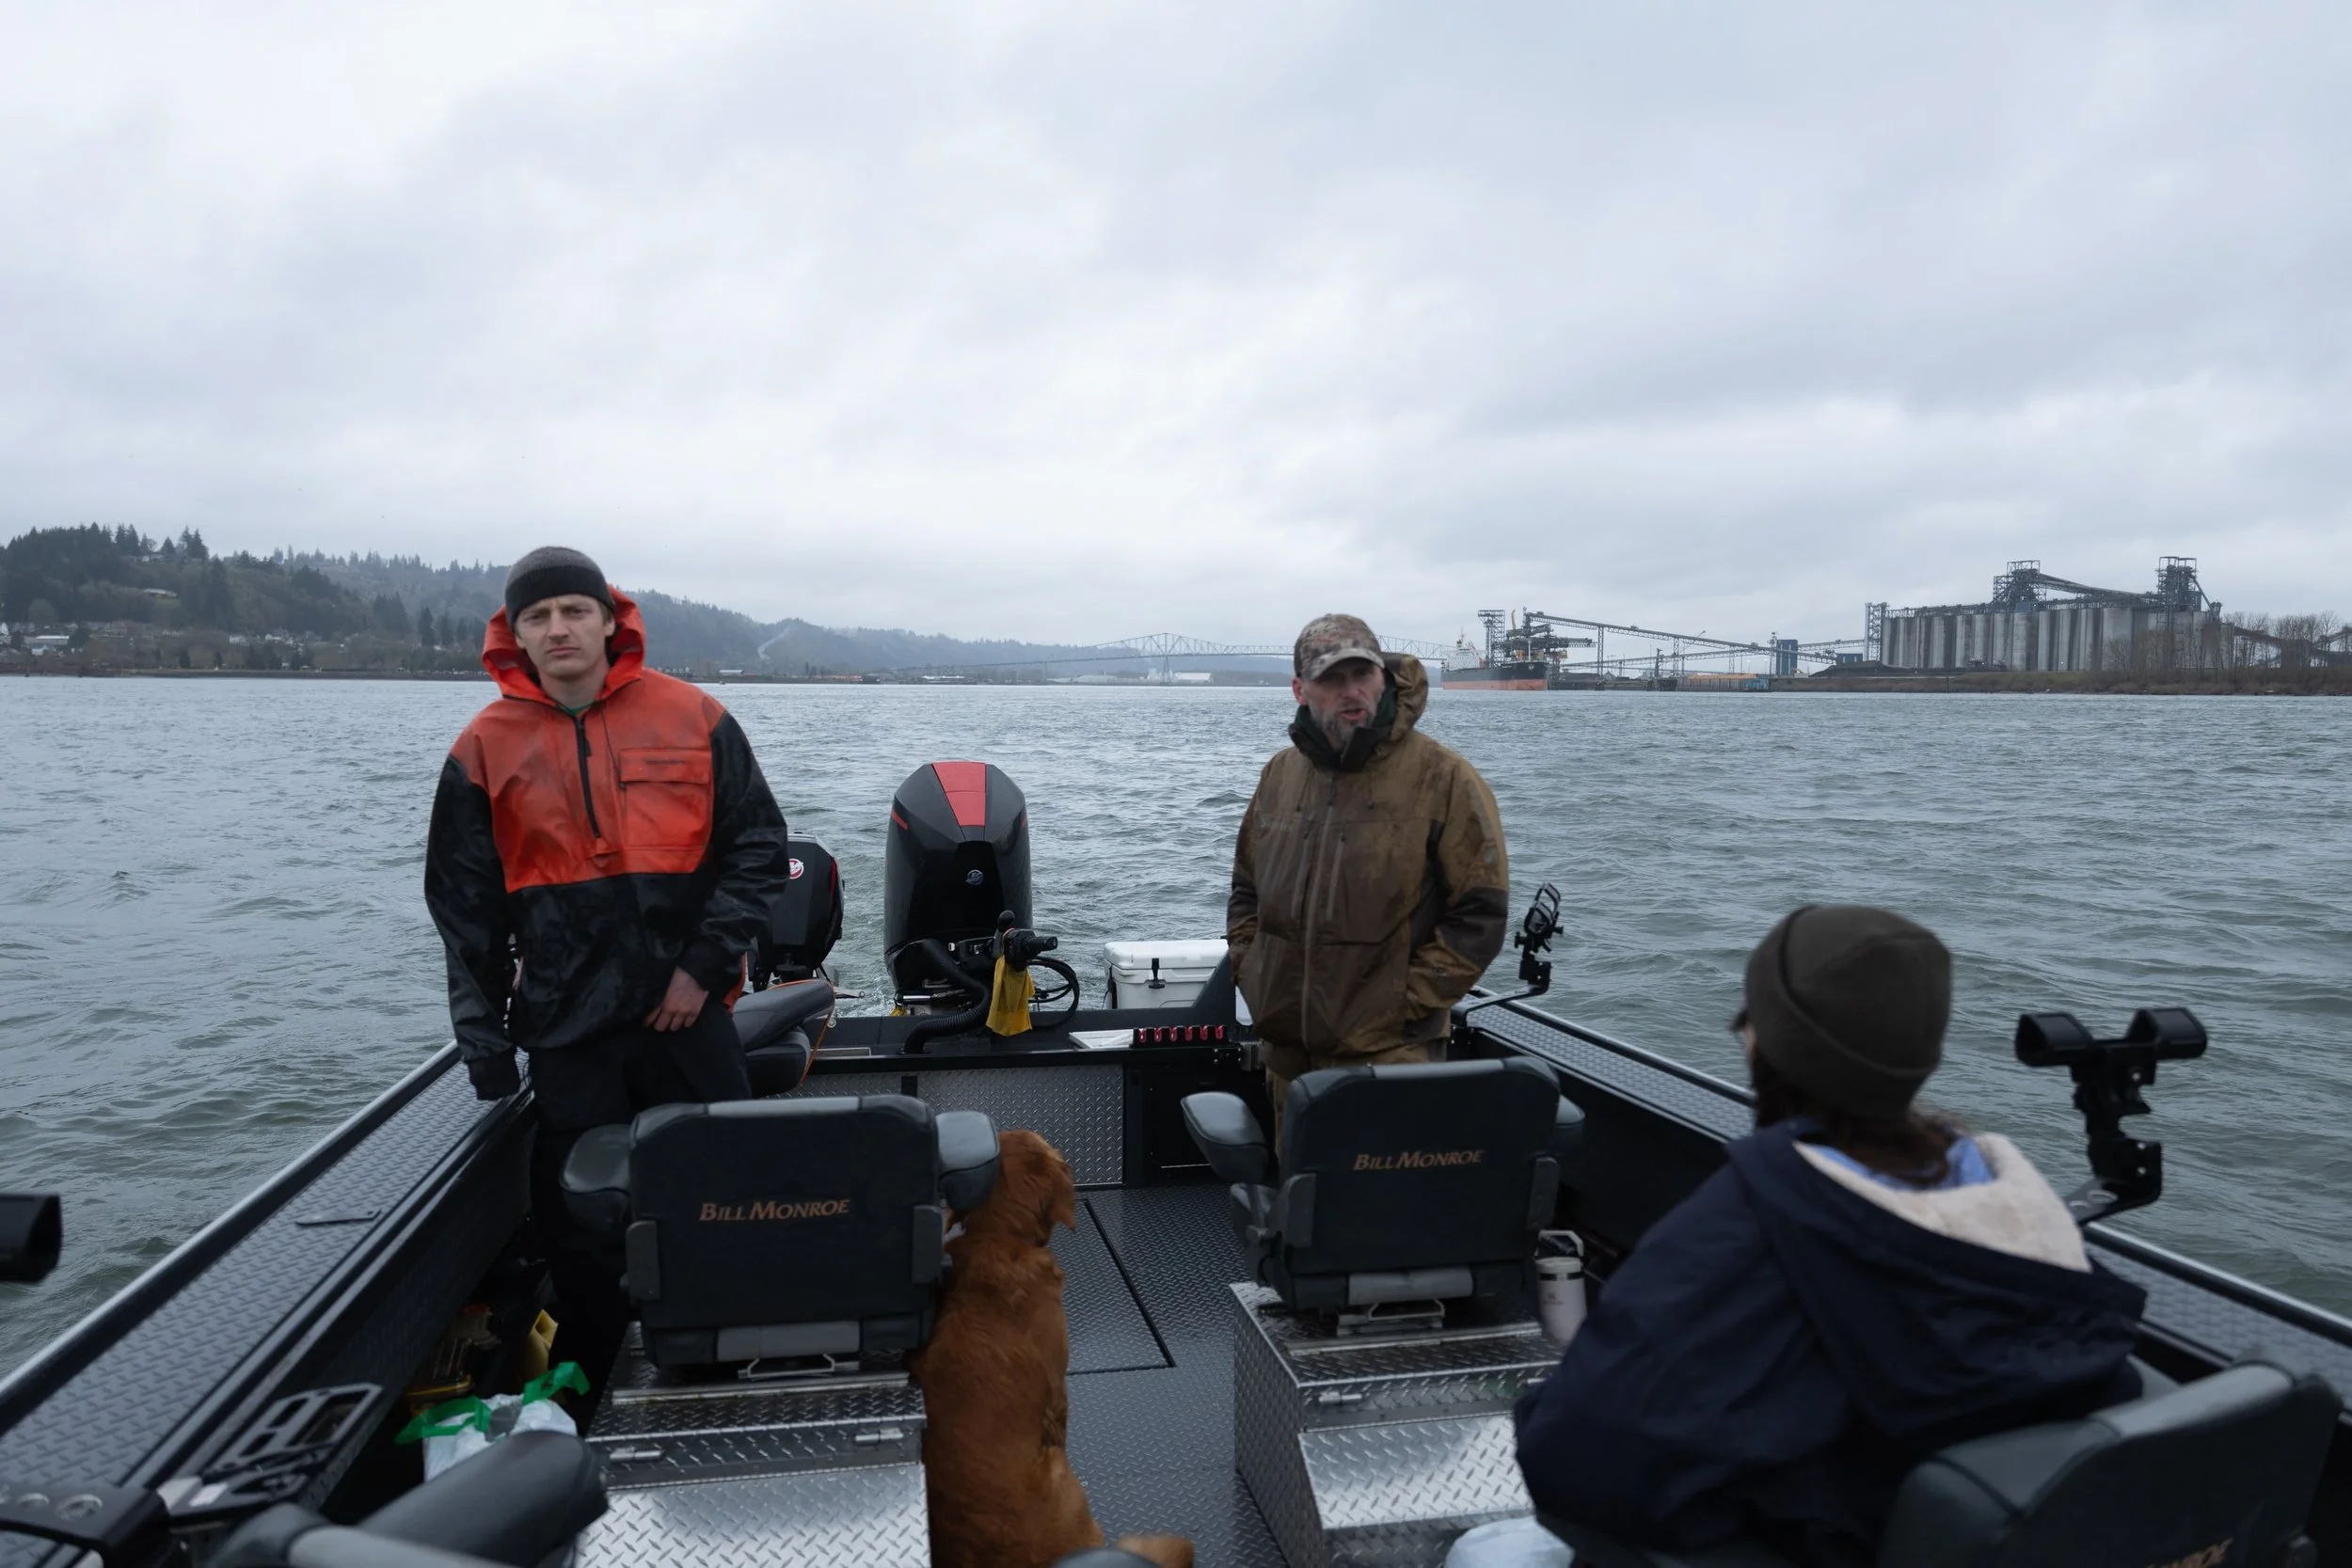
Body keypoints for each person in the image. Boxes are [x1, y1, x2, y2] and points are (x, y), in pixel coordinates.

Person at [1514, 906, 2147, 1568]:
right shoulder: (2023, 1213)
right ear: (1923, 1051)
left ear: (1760, 1040)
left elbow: (1567, 1460)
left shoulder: (1747, 1223)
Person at [423, 546, 791, 1377]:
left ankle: (733, 1349)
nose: (558, 628)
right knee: (578, 1224)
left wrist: (700, 964)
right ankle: (596, 1371)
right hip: (568, 1028)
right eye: (538, 616)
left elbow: (761, 850)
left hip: (689, 1017)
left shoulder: (694, 716)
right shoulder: (482, 746)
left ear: (607, 617)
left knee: (729, 1192)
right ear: (513, 633)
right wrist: (484, 1043)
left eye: (573, 611)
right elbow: (464, 911)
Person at [1228, 613, 1510, 1120]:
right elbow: (1246, 891)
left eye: (1363, 674)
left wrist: (1401, 1004)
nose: (1351, 691)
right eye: (1331, 679)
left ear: (1384, 677)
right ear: (1299, 689)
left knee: (1386, 1199)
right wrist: (1253, 974)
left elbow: (1480, 915)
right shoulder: (1279, 775)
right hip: (1288, 1057)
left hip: (1393, 1057)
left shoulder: (1444, 778)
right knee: (1299, 1193)